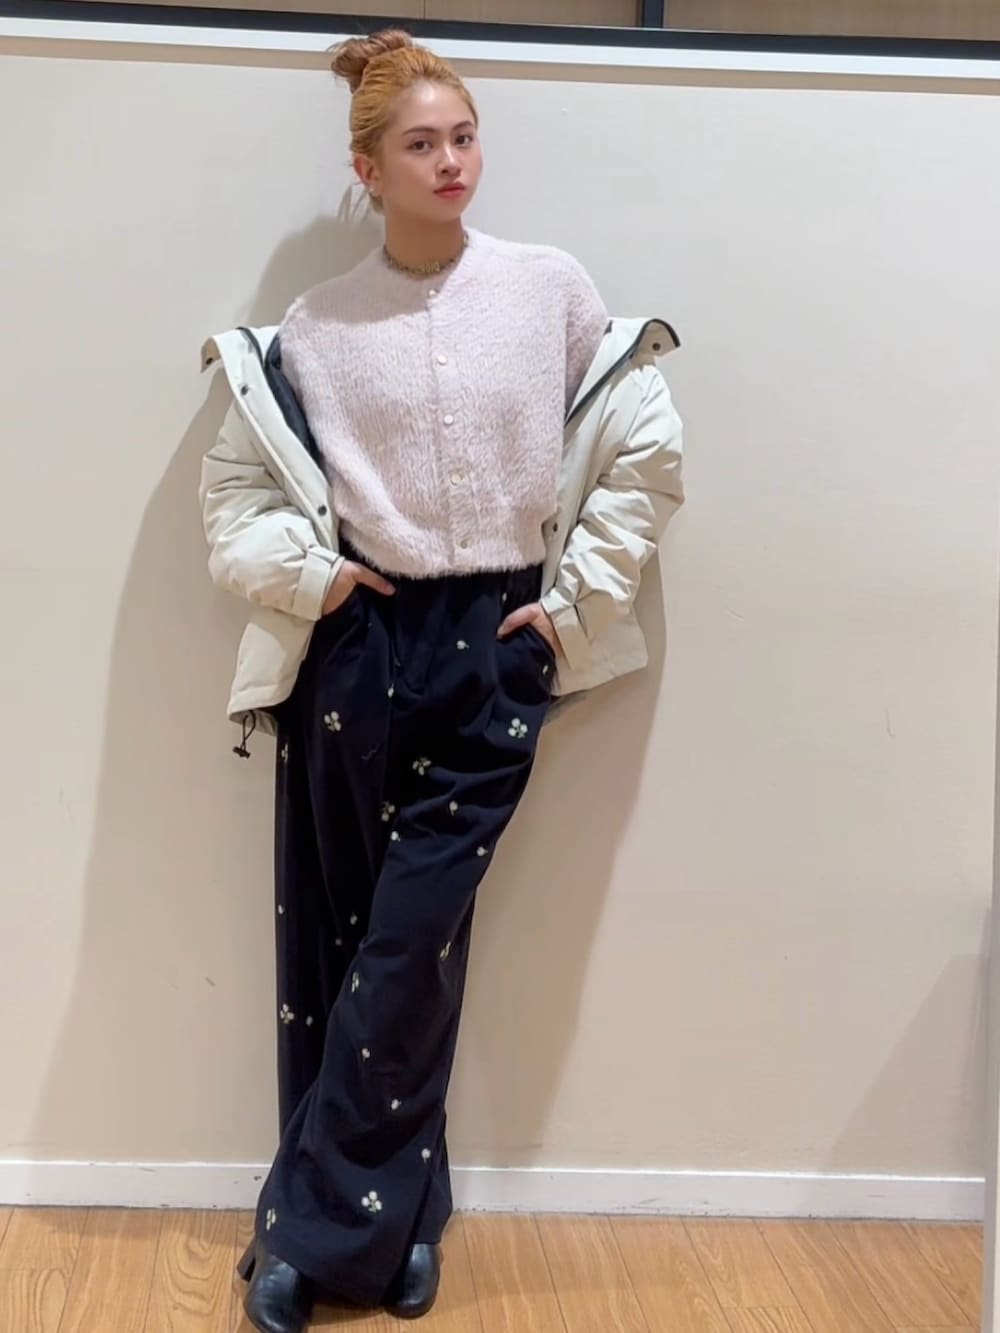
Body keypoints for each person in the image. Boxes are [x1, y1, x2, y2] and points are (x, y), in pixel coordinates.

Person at [198, 27, 685, 1333]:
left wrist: (571, 608)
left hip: (498, 640)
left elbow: (641, 448)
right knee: (353, 942)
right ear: (368, 169)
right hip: (364, 639)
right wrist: (314, 581)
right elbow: (237, 493)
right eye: (421, 143)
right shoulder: (319, 325)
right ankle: (405, 1221)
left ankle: (302, 1235)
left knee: (406, 940)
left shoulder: (548, 289)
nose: (451, 160)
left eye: (464, 136)